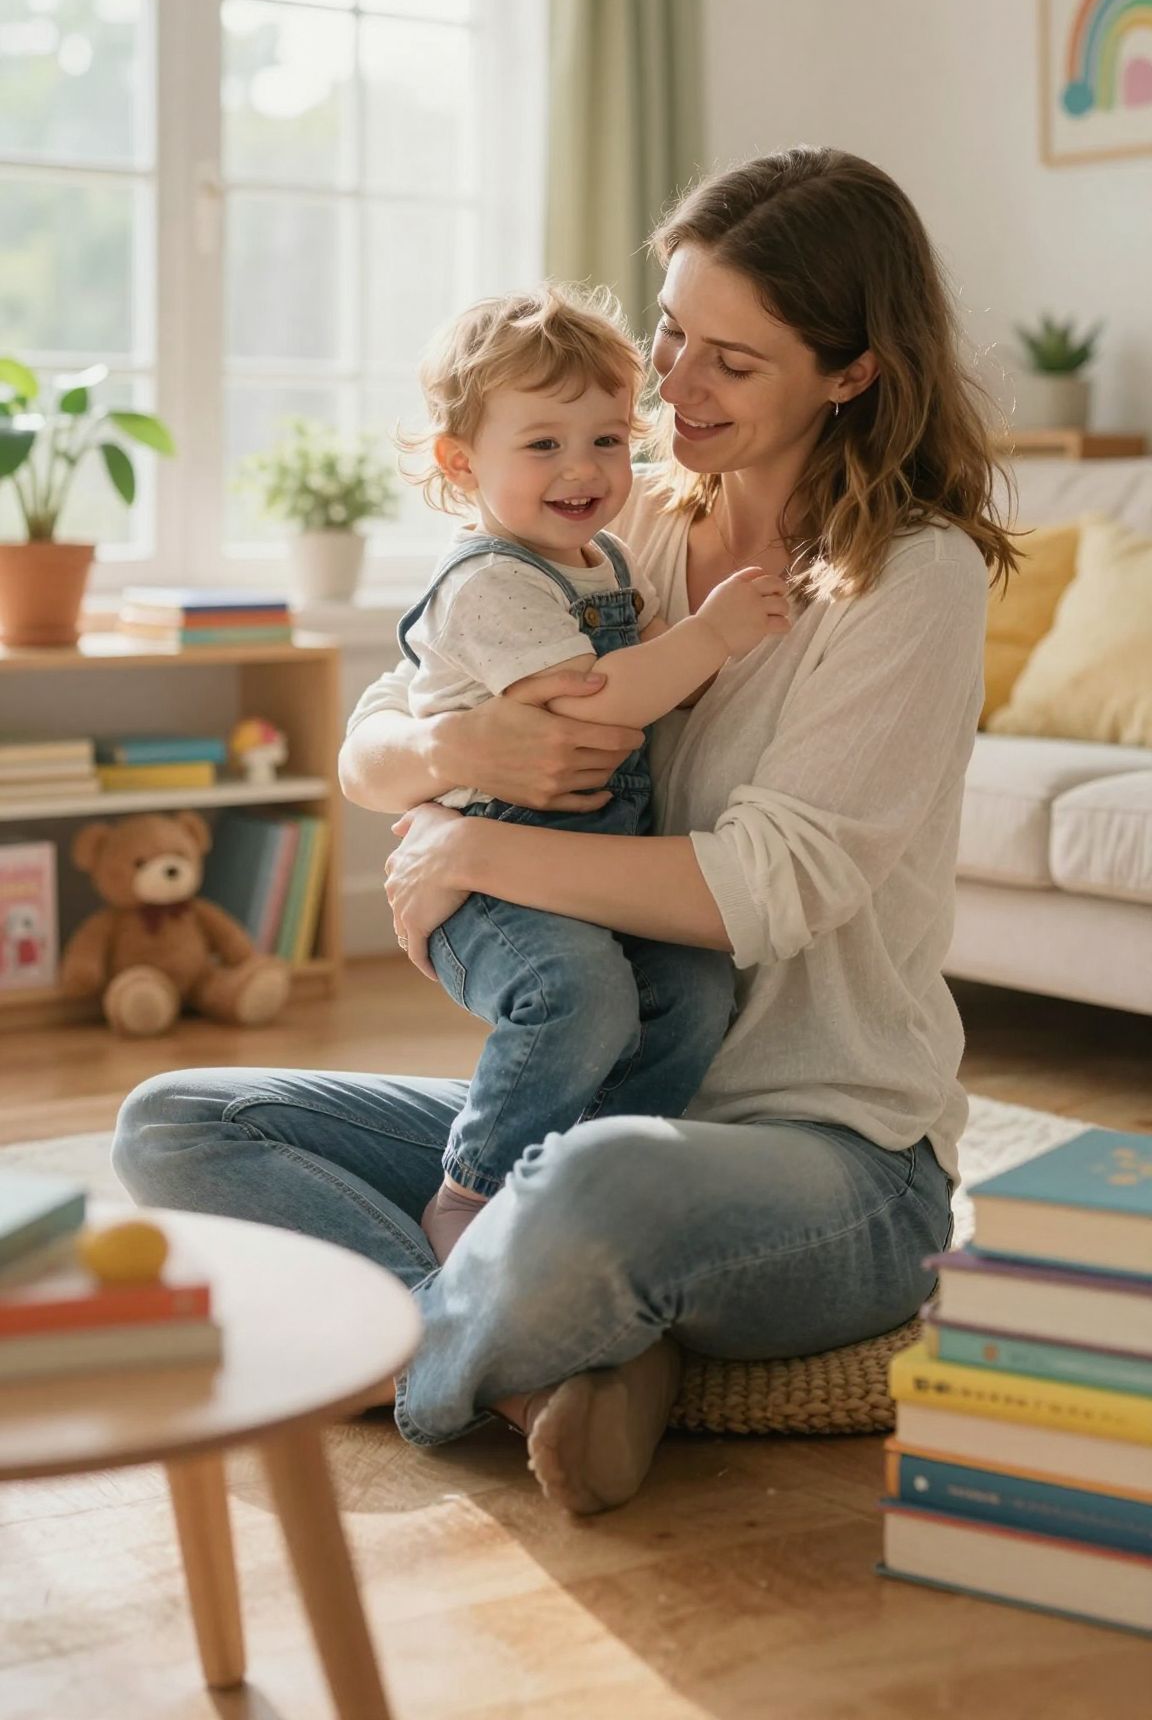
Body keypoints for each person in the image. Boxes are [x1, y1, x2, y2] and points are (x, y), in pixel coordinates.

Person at [112, 147, 1014, 1517]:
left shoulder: (912, 578)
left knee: (592, 1189)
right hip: (614, 1099)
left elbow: (764, 888)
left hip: (829, 1154)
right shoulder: (622, 516)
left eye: (731, 360)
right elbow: (373, 734)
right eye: (671, 333)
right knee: (179, 1122)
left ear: (851, 372)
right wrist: (449, 753)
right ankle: (554, 1353)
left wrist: (470, 850)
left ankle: (424, 1361)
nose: (672, 387)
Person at [392, 285, 787, 1262]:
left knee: (692, 990)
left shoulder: (601, 555)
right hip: (492, 886)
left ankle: (588, 1170)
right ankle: (470, 1188)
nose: (585, 468)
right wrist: (711, 636)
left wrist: (680, 651)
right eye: (544, 445)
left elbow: (647, 668)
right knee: (581, 993)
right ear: (460, 462)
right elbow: (593, 701)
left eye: (607, 439)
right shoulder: (487, 582)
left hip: (588, 868)